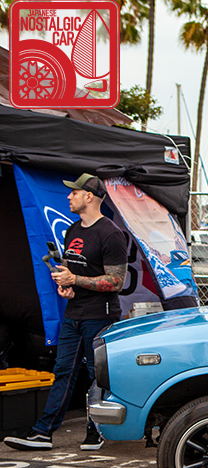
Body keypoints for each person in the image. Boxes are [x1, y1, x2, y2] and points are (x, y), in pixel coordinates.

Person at [4, 174, 126, 451]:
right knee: (63, 371)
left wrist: (76, 280)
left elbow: (116, 281)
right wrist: (67, 287)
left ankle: (96, 431)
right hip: (74, 312)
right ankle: (43, 433)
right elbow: (74, 271)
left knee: (98, 375)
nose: (69, 196)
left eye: (74, 192)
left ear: (89, 196)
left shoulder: (110, 234)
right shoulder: (73, 231)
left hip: (100, 315)